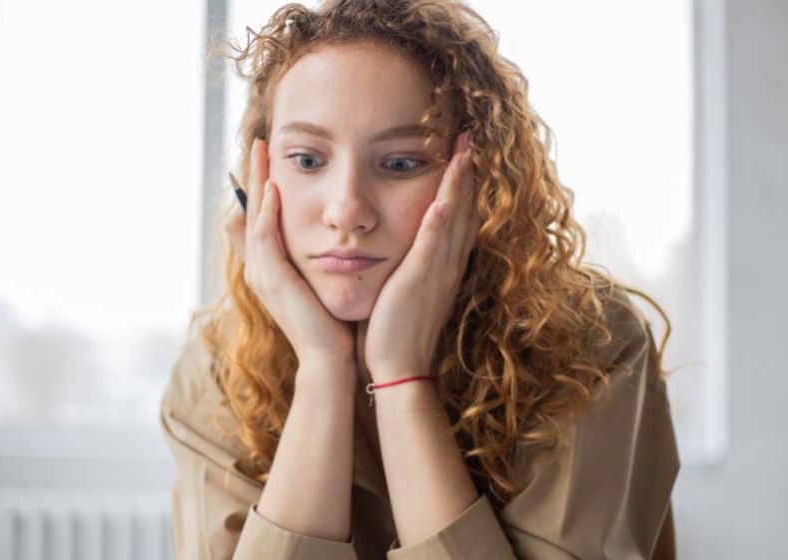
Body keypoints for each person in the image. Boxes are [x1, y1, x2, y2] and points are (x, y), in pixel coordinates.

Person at [160, 0, 680, 558]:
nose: (347, 210)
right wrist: (323, 368)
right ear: (261, 183)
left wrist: (402, 380)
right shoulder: (216, 368)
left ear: (479, 182)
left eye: (401, 163)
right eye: (308, 160)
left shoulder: (591, 348)